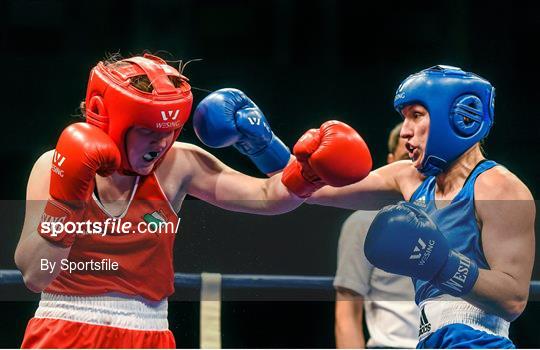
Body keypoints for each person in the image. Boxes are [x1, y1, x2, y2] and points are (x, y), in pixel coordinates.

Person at [14, 53, 372, 348]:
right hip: (65, 326)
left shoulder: (178, 164)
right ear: (106, 117)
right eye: (148, 130)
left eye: (169, 130)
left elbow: (267, 196)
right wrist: (67, 201)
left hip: (148, 331)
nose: (161, 142)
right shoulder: (52, 167)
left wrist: (307, 173)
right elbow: (35, 275)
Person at [291, 65, 535, 348]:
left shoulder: (498, 187)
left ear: (459, 118)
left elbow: (513, 300)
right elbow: (315, 188)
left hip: (477, 340)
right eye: (404, 118)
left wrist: (443, 264)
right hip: (428, 339)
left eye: (416, 116)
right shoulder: (409, 177)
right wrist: (263, 147)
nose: (405, 132)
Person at [334, 122, 420, 349]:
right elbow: (347, 314)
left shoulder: (458, 217)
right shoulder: (364, 223)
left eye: (421, 159)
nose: (414, 168)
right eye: (406, 158)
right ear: (392, 163)